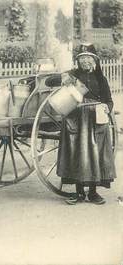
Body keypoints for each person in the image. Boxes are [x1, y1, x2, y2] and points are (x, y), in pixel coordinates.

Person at [56, 43, 117, 205]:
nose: (85, 61)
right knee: (77, 153)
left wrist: (106, 107)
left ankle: (93, 193)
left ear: (95, 60)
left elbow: (109, 101)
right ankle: (79, 193)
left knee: (95, 155)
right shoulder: (73, 75)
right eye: (82, 58)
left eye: (88, 58)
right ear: (78, 61)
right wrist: (62, 77)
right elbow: (49, 81)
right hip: (75, 119)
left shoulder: (101, 79)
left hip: (96, 119)